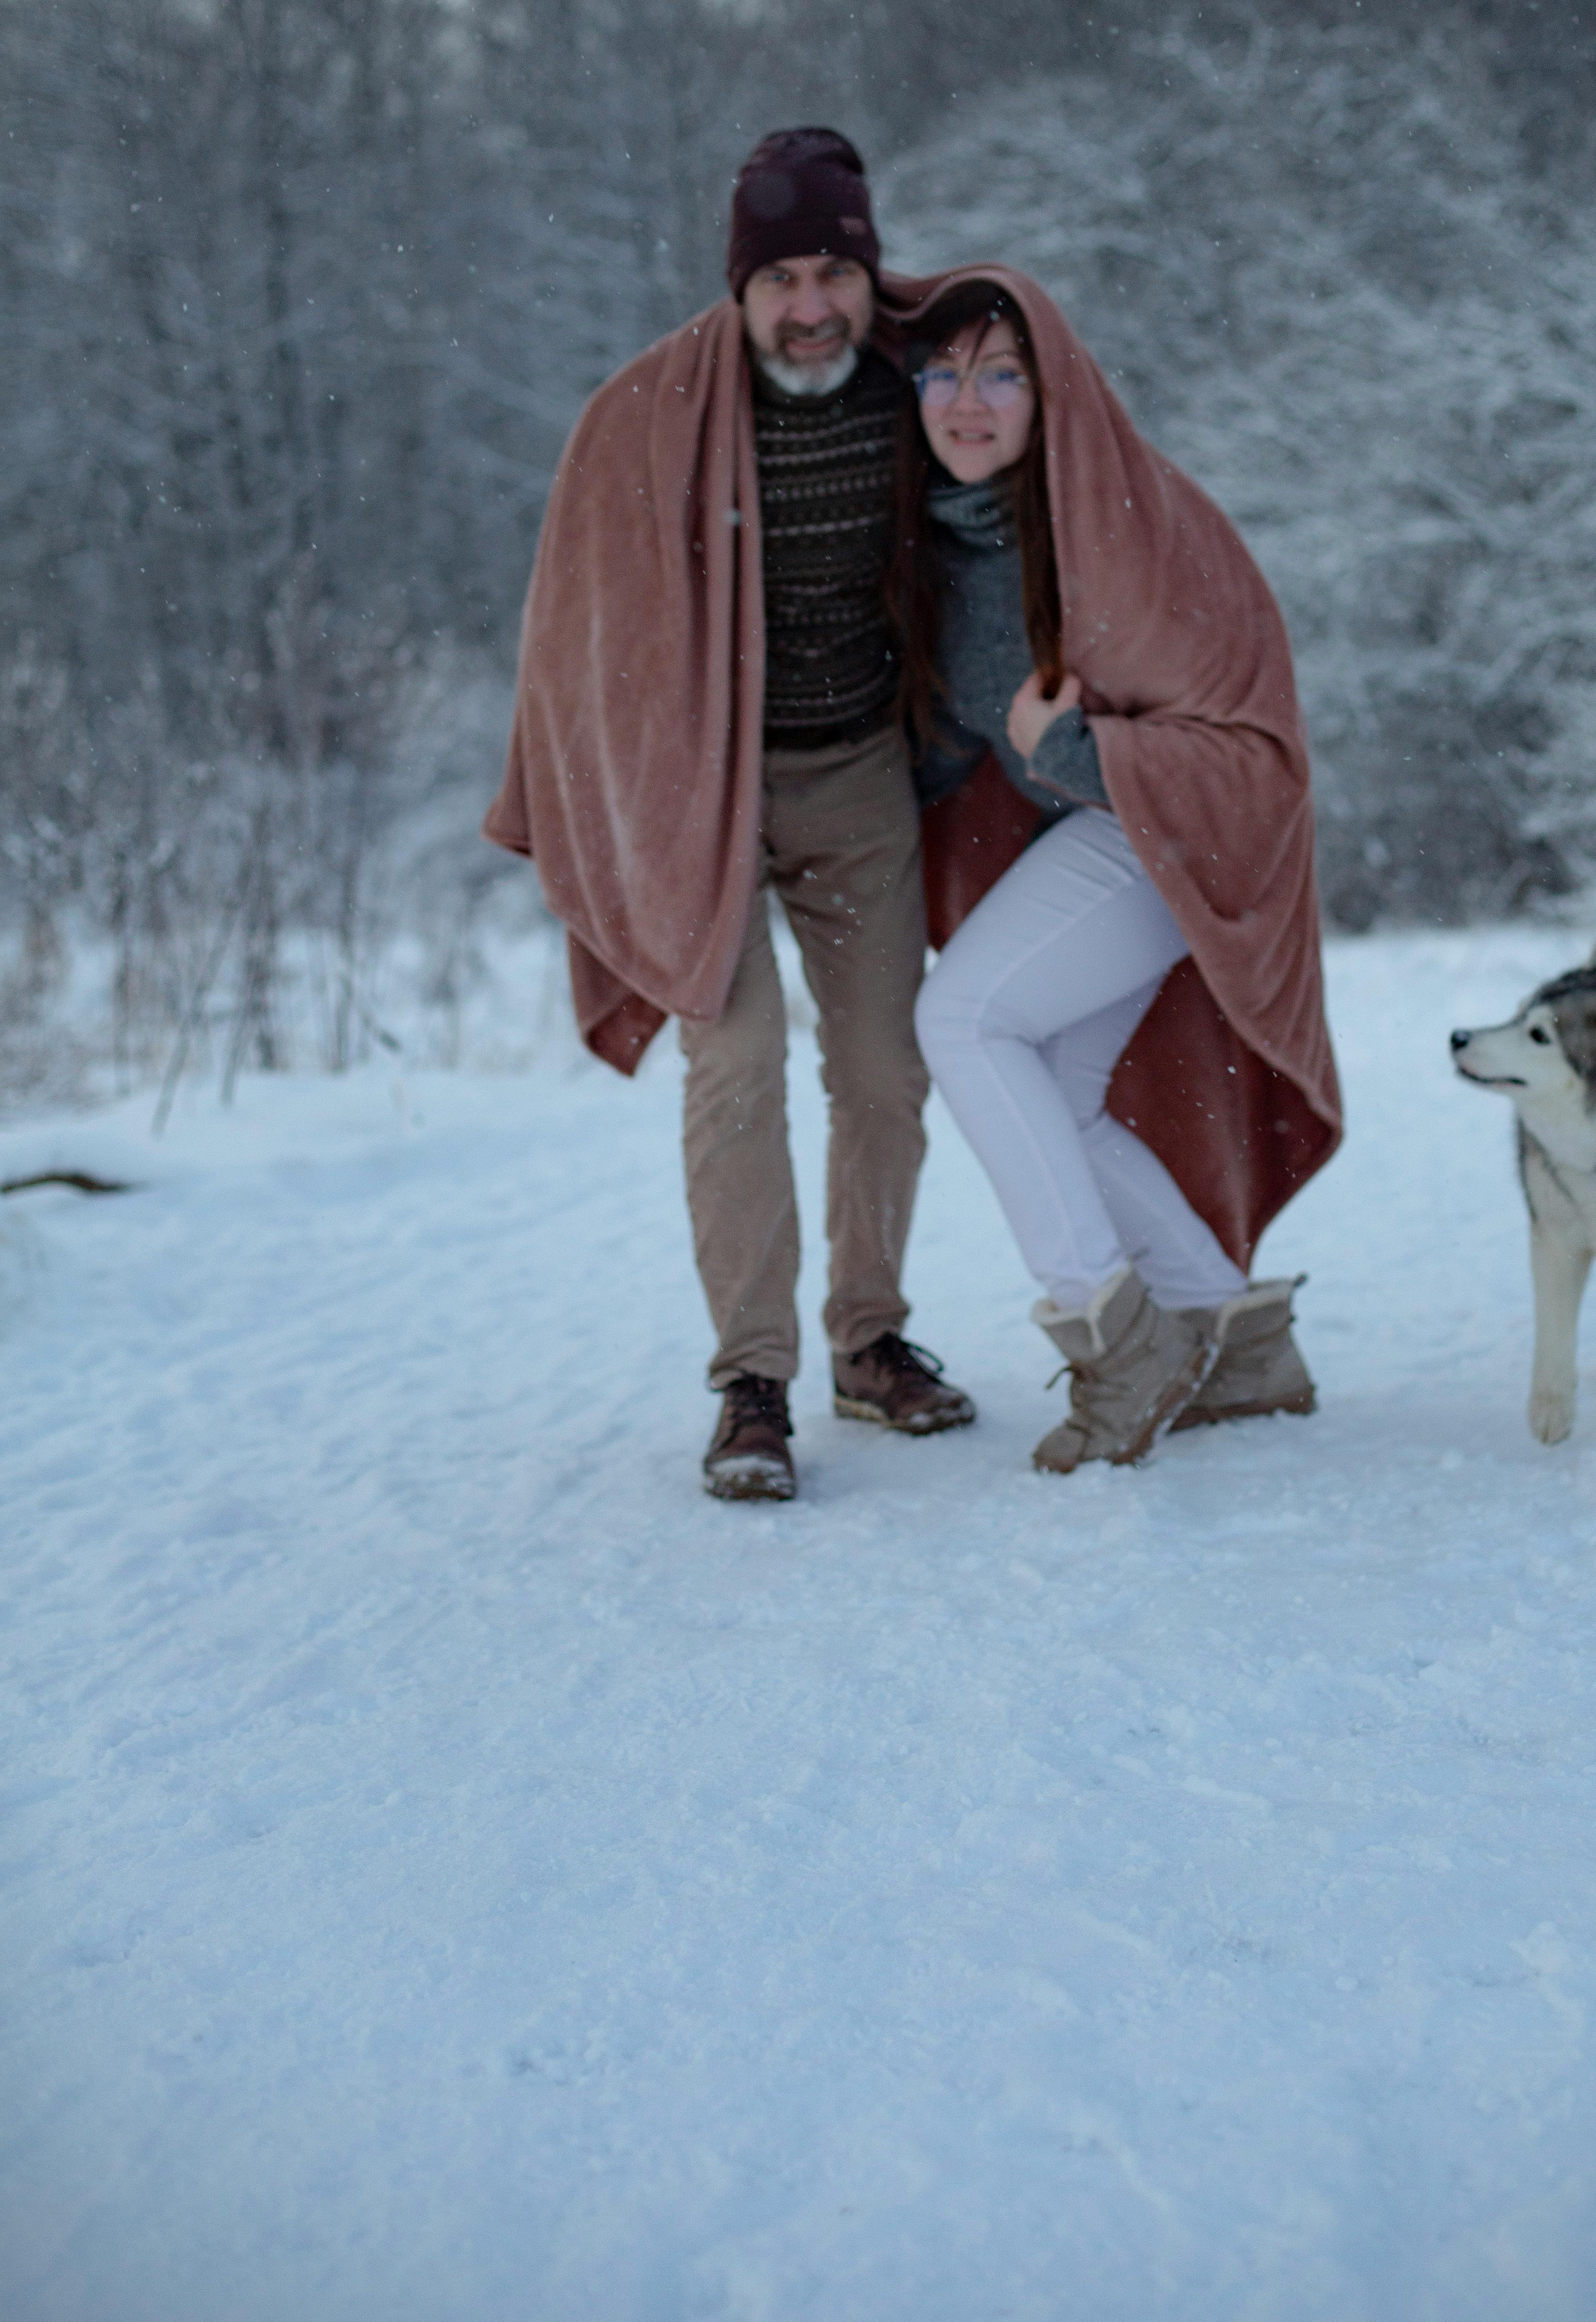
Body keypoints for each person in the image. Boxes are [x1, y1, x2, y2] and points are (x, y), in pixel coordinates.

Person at [483, 129, 974, 1505]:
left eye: (835, 271)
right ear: (738, 286)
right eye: (782, 278)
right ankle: (751, 1384)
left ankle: (872, 1343)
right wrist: (605, 788)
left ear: (867, 275)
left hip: (862, 768)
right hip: (699, 789)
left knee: (885, 1067)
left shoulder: (915, 385)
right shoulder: (650, 415)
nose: (811, 305)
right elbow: (576, 628)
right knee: (737, 1060)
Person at [886, 273, 1343, 1473]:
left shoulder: (1122, 525)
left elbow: (1243, 735)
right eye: (942, 374)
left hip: (1173, 837)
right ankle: (1233, 1343)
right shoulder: (948, 536)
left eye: (999, 375)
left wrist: (1070, 749)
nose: (965, 403)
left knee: (967, 1021)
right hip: (1103, 838)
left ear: (1053, 394)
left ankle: (1117, 1341)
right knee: (1057, 1089)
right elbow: (945, 747)